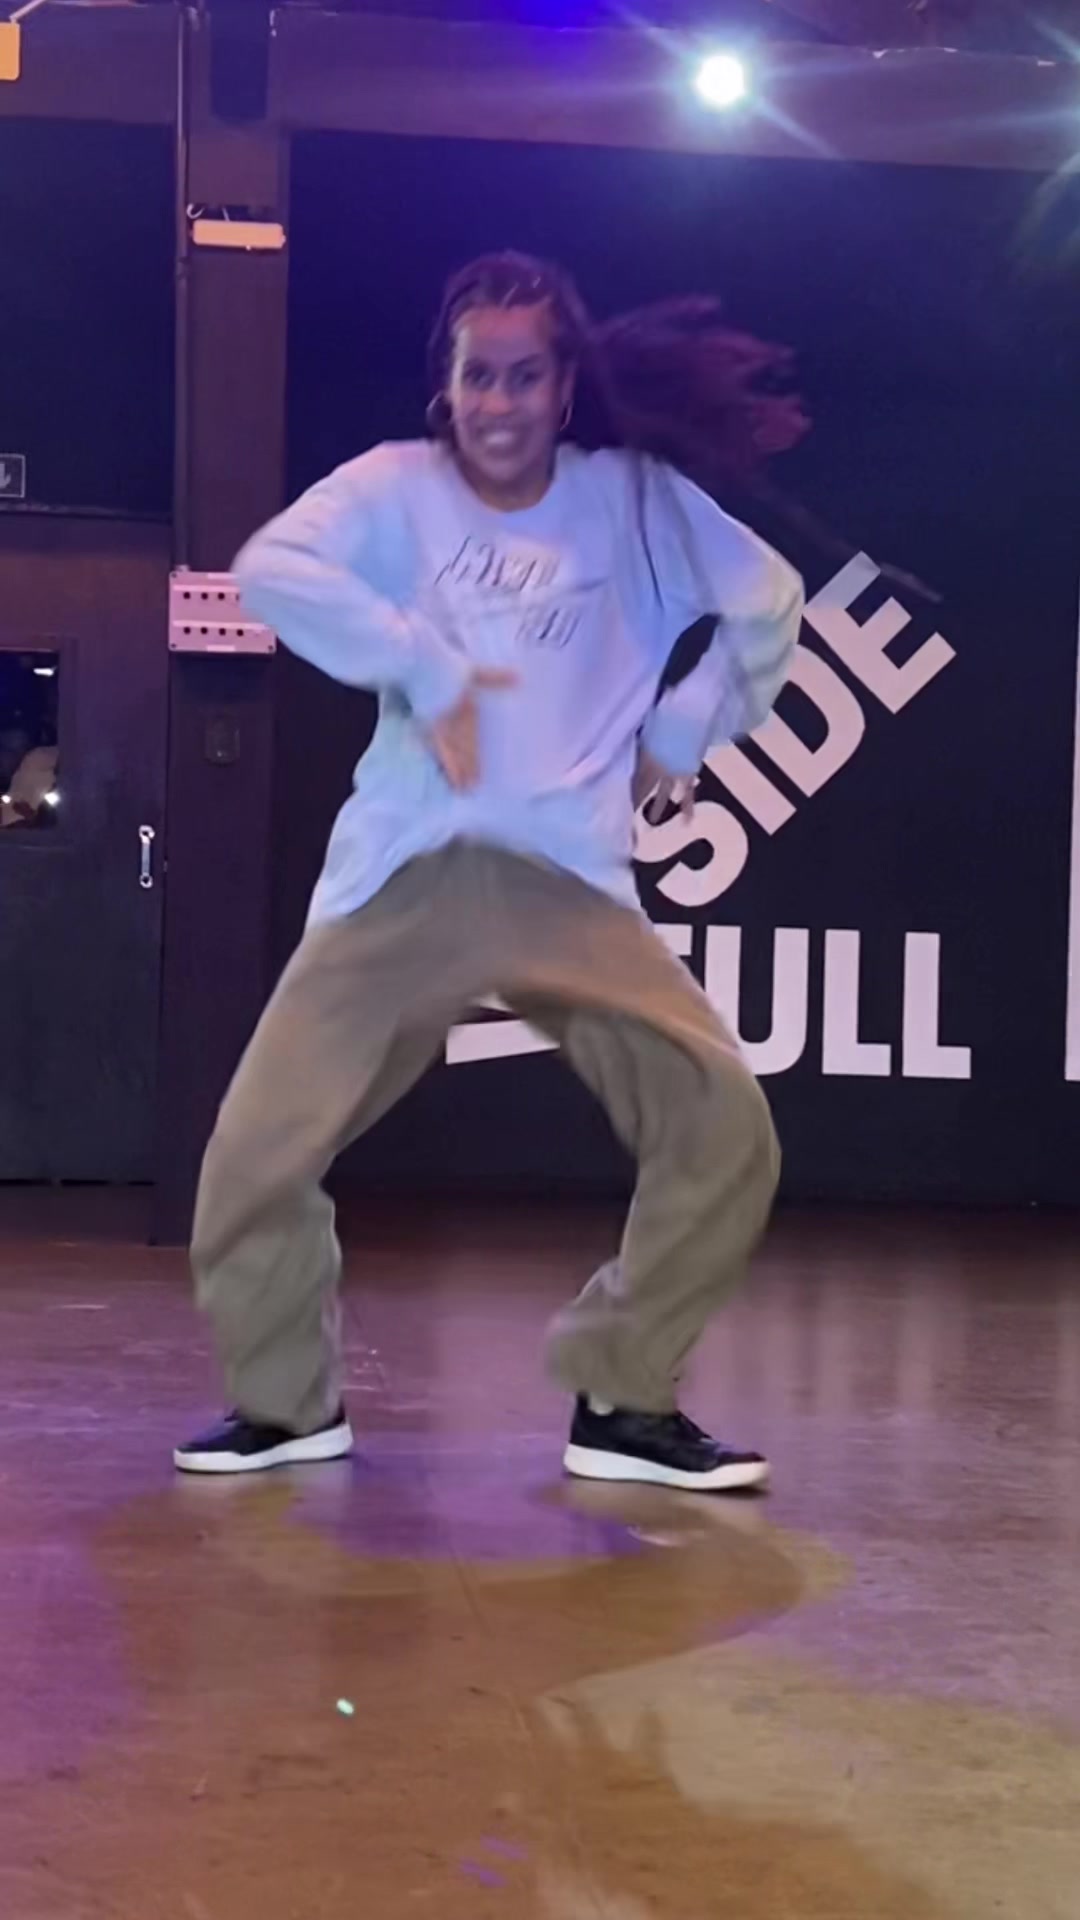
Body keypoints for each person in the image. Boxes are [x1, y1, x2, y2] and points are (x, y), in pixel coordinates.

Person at [175, 252, 806, 1489]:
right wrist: (422, 661)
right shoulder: (393, 490)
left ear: (565, 388)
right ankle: (289, 1408)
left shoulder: (633, 503)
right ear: (446, 384)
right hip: (404, 873)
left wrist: (683, 732)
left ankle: (623, 1398)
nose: (500, 403)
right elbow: (273, 571)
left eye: (524, 376)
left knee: (723, 1127)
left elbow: (768, 598)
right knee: (252, 1160)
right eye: (478, 376)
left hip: (565, 881)